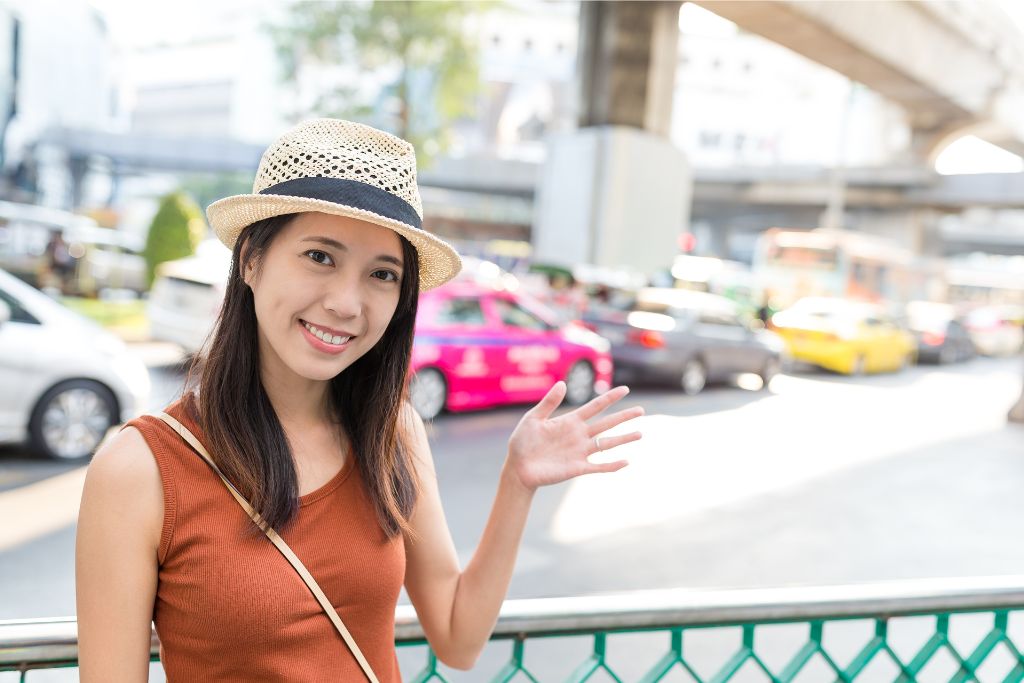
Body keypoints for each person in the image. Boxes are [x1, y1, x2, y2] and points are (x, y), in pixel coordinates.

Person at [75, 118, 644, 682]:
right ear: (251, 258)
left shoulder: (392, 431)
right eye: (320, 256)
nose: (348, 304)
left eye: (382, 274)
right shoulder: (140, 470)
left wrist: (517, 484)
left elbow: (458, 637)